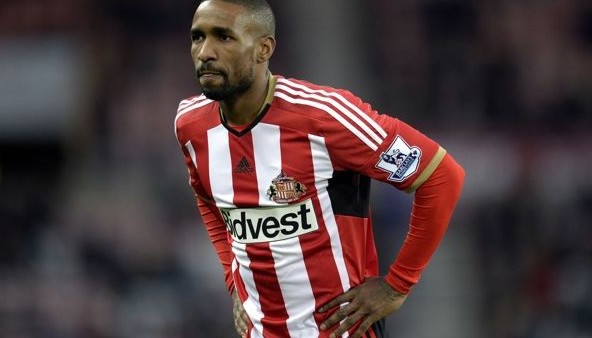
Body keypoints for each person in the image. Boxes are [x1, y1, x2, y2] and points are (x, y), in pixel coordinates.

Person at [173, 0, 465, 337]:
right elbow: (209, 201)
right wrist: (234, 282)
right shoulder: (190, 125)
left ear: (263, 49)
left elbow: (442, 176)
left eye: (223, 38)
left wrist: (397, 285)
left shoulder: (326, 117)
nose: (205, 51)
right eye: (198, 37)